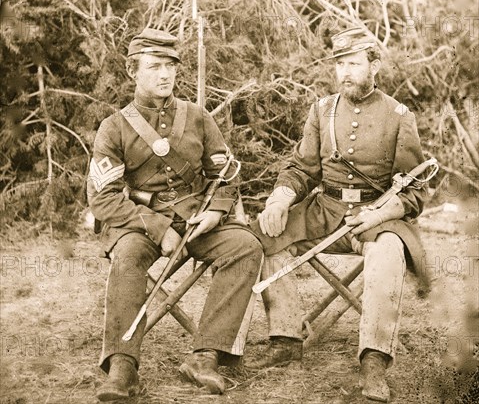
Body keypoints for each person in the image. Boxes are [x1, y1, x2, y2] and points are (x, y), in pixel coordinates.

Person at [250, 27, 430, 403]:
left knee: (387, 253)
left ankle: (374, 360)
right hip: (325, 210)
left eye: (353, 64)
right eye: (340, 65)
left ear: (373, 65)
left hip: (378, 218)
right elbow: (301, 169)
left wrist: (379, 216)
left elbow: (414, 190)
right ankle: (285, 337)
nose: (345, 72)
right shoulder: (321, 110)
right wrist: (279, 201)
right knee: (263, 236)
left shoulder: (399, 115)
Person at [87, 28, 263, 401]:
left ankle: (205, 355)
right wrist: (158, 227)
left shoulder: (198, 117)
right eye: (154, 67)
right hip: (142, 223)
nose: (165, 75)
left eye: (170, 66)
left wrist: (216, 211)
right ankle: (123, 367)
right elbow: (103, 199)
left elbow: (226, 173)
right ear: (132, 71)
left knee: (246, 245)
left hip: (199, 218)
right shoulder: (114, 127)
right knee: (127, 256)